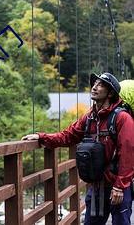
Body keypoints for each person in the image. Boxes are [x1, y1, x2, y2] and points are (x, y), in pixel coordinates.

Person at [21, 72, 134, 225]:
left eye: (100, 85)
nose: (94, 87)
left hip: (117, 186)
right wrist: (41, 137)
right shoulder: (89, 118)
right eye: (94, 84)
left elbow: (128, 153)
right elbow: (68, 136)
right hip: (97, 186)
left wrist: (120, 187)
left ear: (111, 93)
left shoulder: (122, 118)